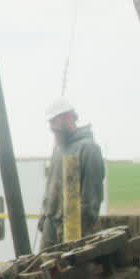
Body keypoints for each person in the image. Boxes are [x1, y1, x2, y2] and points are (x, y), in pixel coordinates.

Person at [39, 97, 105, 250]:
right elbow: (51, 186)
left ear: (69, 117)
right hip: (51, 225)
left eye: (55, 121)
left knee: (68, 272)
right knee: (42, 269)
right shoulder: (58, 149)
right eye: (50, 122)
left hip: (73, 229)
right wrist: (45, 217)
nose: (52, 127)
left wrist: (76, 232)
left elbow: (91, 198)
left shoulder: (89, 149)